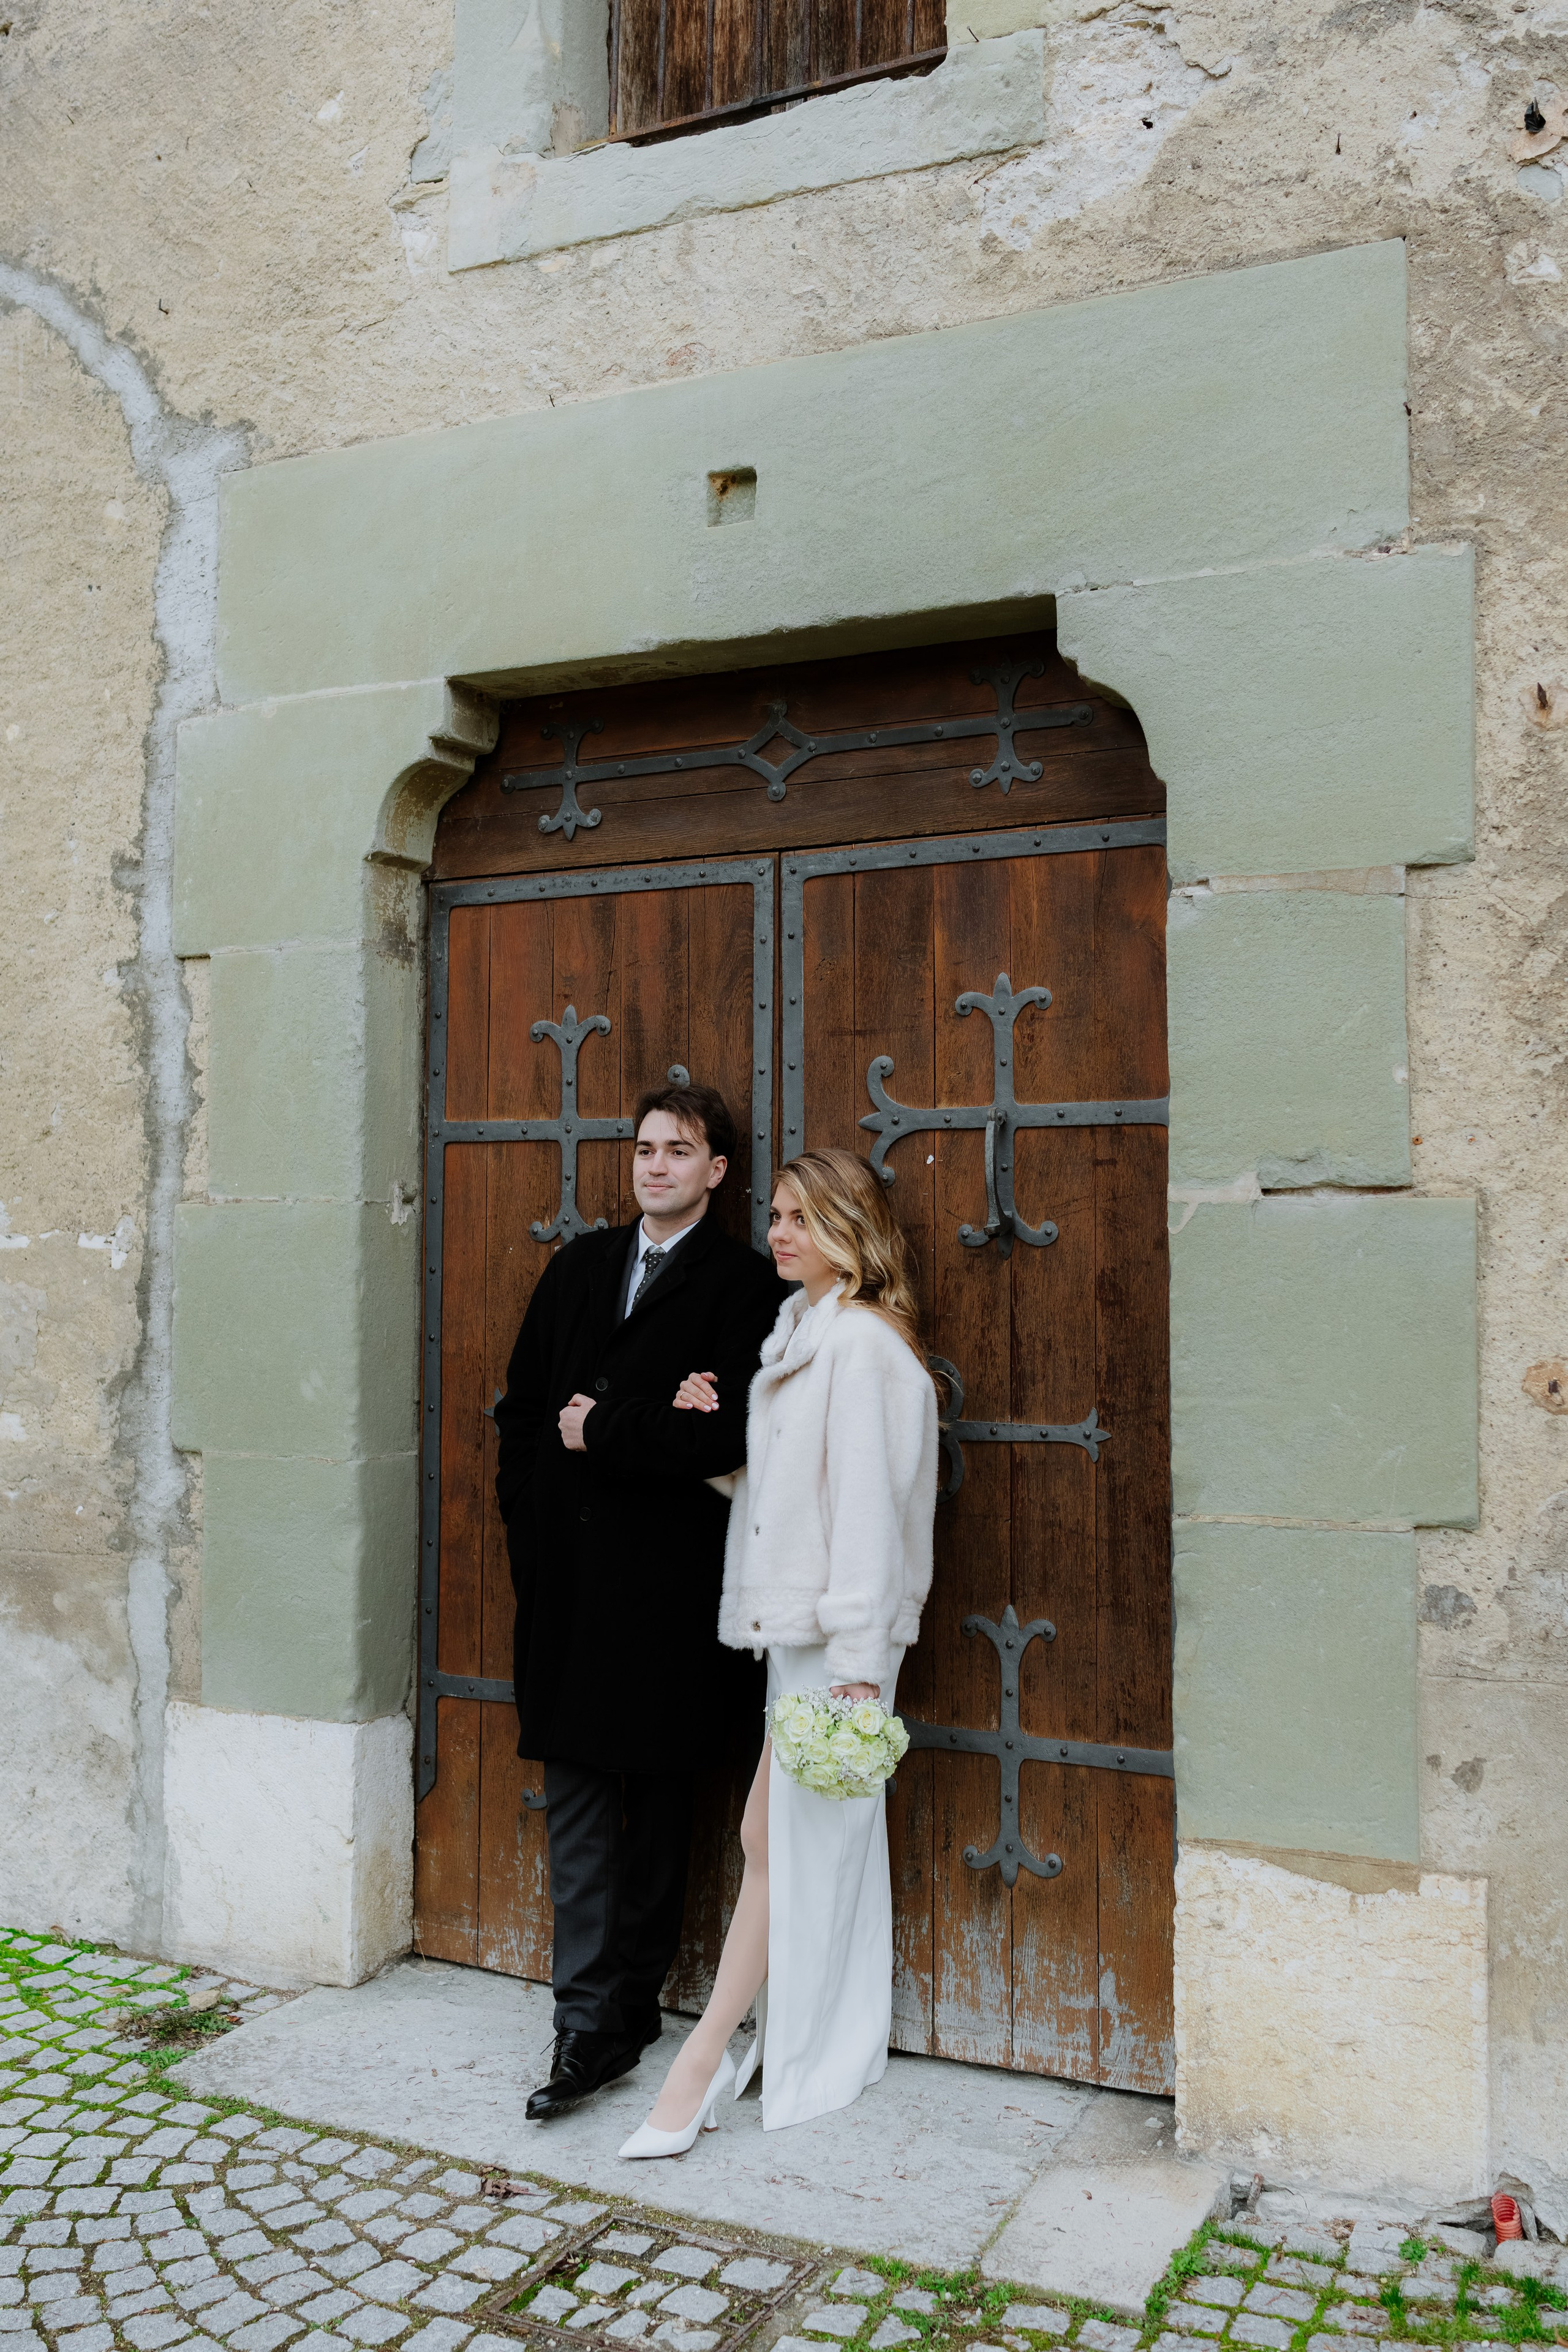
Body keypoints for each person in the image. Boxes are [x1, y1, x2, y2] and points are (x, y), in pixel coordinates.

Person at [617, 1147, 940, 2157]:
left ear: (851, 1231)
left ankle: (704, 2059)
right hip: (802, 1636)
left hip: (837, 1643)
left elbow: (870, 1522)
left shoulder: (865, 1349)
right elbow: (787, 1498)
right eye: (780, 1216)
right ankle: (797, 2040)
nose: (780, 1233)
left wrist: (854, 1666)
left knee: (789, 1841)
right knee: (778, 1841)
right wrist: (713, 1442)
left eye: (803, 1217)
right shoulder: (800, 1334)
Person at [492, 1082, 788, 2124]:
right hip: (569, 1589)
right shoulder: (577, 1268)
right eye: (645, 1148)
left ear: (716, 1171)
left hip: (670, 1597)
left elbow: (736, 1438)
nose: (656, 1165)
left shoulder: (747, 1288)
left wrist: (611, 1425)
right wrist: (530, 1524)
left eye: (680, 1150)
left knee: (661, 1813)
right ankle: (585, 2021)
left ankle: (627, 2012)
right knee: (575, 1805)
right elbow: (525, 1411)